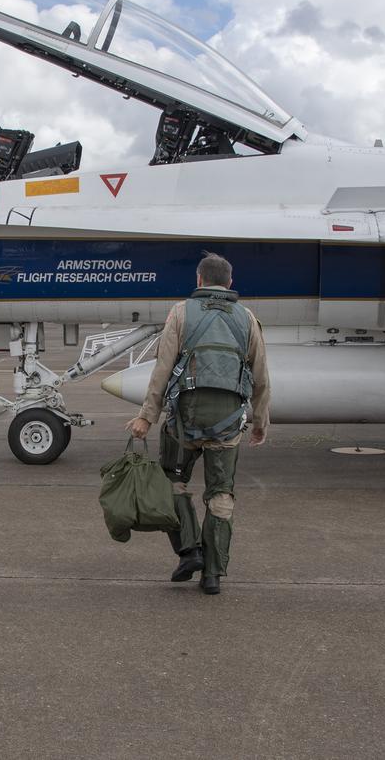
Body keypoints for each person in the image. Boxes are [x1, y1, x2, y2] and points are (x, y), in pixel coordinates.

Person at [125, 252, 269, 595]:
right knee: (221, 497)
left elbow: (162, 368)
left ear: (199, 280)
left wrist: (147, 416)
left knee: (171, 483)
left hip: (183, 422)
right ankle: (213, 575)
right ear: (231, 283)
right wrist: (261, 420)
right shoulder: (247, 318)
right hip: (229, 423)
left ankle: (189, 552)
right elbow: (261, 376)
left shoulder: (180, 312)